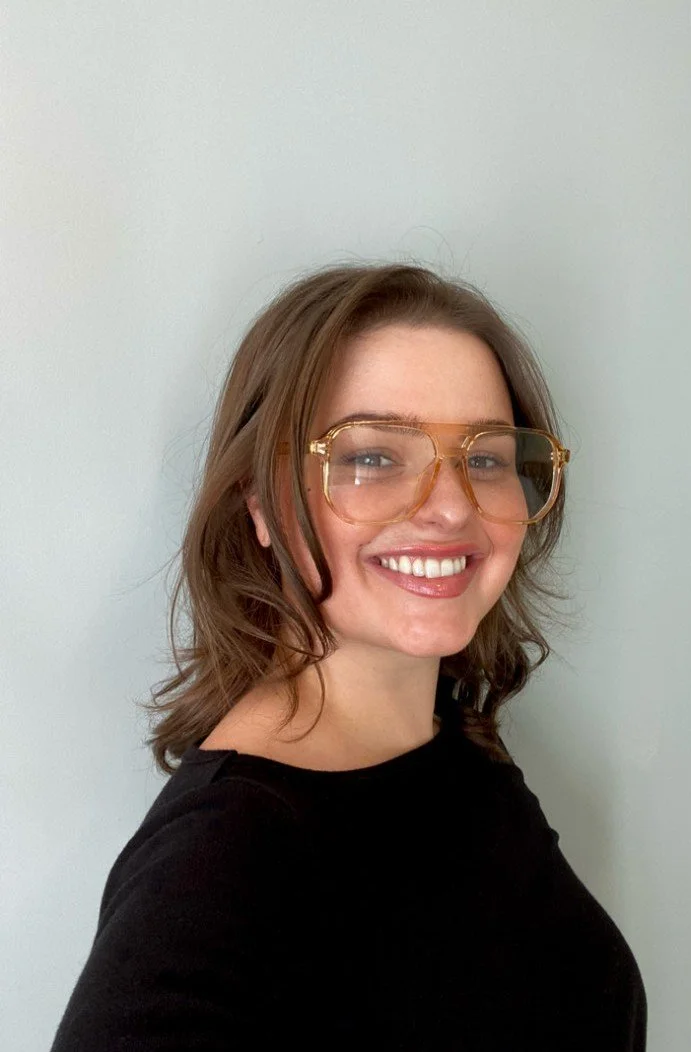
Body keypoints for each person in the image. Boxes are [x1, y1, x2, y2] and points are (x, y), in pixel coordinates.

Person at [50, 261, 647, 1050]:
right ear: (259, 502)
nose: (448, 506)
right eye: (371, 457)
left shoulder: (455, 738)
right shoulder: (213, 872)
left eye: (486, 457)